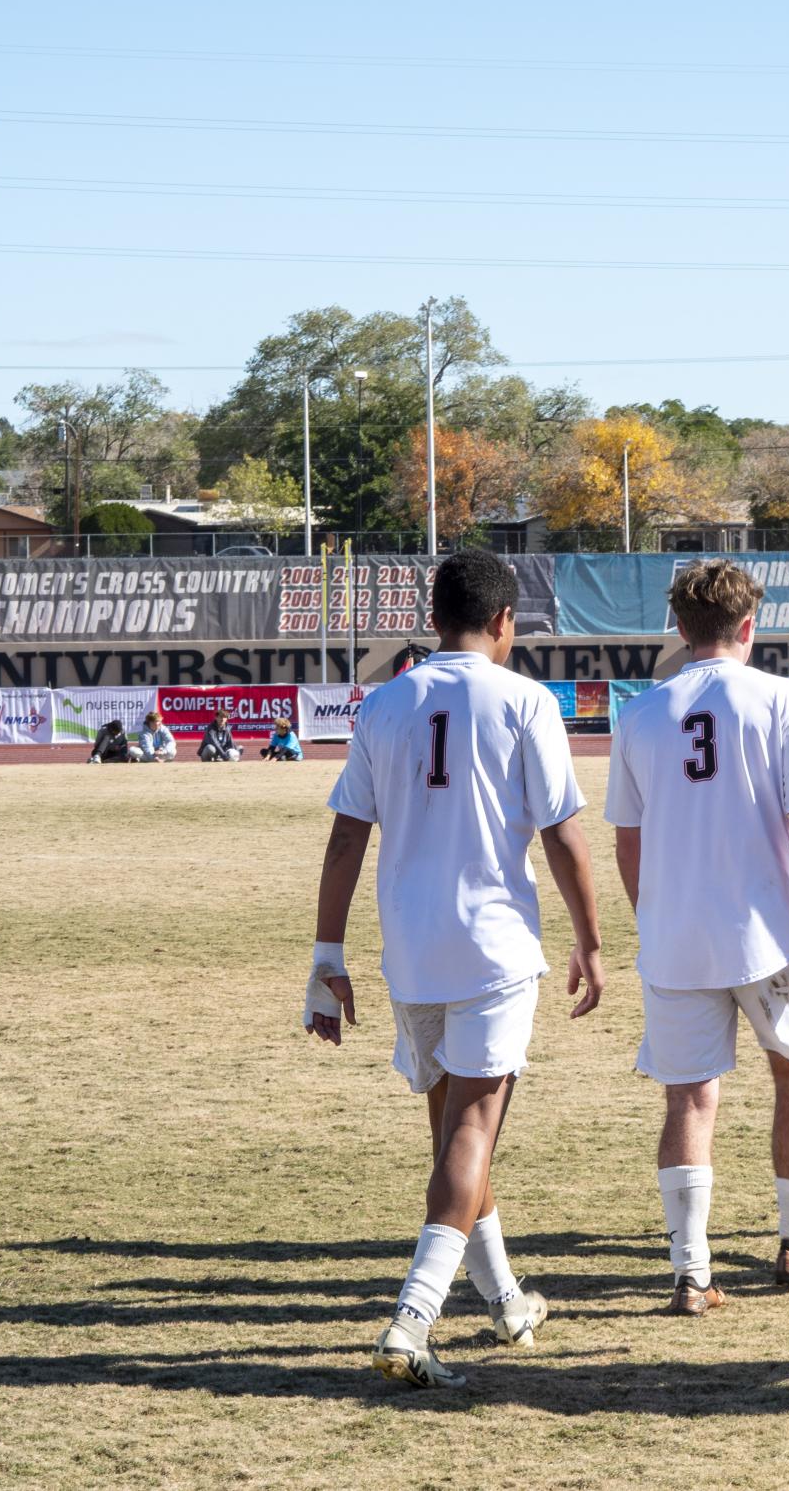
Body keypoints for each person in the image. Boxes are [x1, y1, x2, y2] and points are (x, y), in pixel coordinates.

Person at [305, 548, 605, 1390]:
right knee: (471, 1133)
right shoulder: (525, 700)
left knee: (455, 1138)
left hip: (411, 949)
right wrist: (590, 937)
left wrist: (326, 958)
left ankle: (506, 1297)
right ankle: (413, 1318)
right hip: (494, 946)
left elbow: (344, 836)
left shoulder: (384, 703)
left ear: (434, 617)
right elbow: (563, 834)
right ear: (504, 622)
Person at [606, 558, 789, 1315]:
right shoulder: (780, 697)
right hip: (768, 931)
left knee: (689, 1097)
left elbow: (627, 836)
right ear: (751, 625)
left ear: (677, 630)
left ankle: (689, 1274)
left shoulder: (641, 713)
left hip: (677, 934)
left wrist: (652, 915)